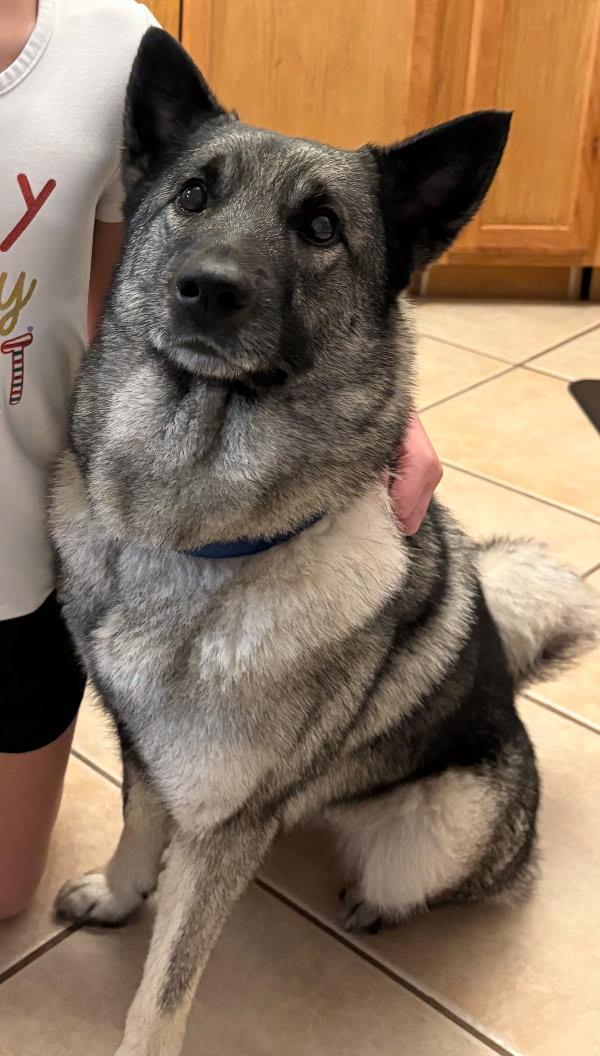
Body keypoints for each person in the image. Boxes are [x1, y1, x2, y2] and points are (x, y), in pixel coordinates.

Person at [0, 0, 442, 920]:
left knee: (4, 893)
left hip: (17, 545)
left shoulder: (110, 42)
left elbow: (136, 309)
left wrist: (375, 418)